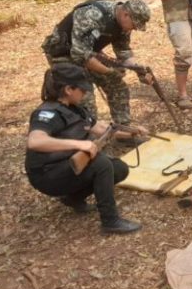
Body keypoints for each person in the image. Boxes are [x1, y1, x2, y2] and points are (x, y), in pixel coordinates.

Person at [25, 64, 142, 234]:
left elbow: (102, 129)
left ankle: (72, 198)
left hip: (68, 166)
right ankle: (110, 221)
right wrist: (79, 144)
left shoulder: (75, 108)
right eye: (82, 89)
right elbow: (35, 141)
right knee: (101, 164)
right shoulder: (47, 113)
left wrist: (131, 131)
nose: (85, 93)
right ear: (68, 89)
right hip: (47, 174)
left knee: (119, 169)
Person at [41, 0, 151, 128]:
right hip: (63, 54)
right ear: (125, 14)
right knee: (83, 95)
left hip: (88, 53)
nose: (133, 29)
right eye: (134, 25)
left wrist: (138, 68)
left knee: (117, 86)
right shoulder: (92, 15)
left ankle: (124, 131)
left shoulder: (123, 24)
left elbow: (123, 51)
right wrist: (109, 72)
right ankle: (86, 136)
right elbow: (81, 56)